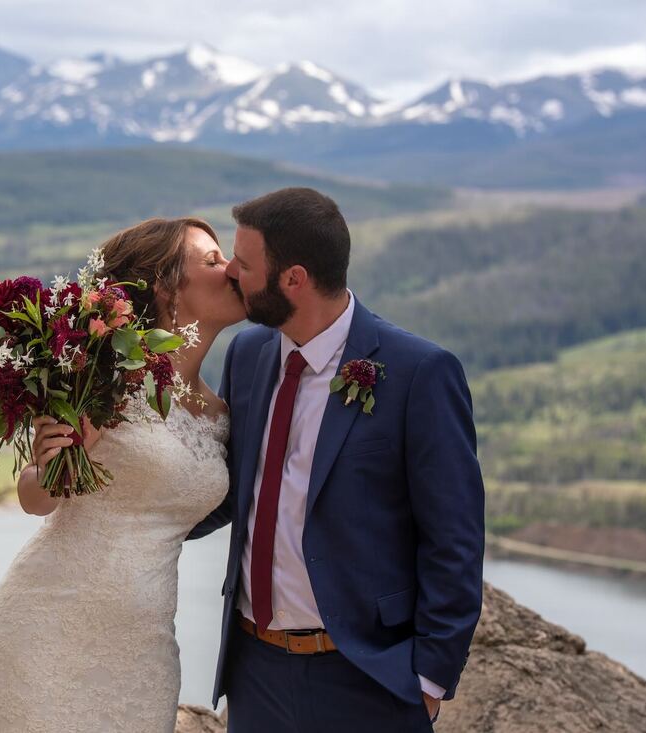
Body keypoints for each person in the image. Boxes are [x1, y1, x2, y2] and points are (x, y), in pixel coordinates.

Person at [189, 187, 486, 731]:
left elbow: (455, 537)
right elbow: (232, 489)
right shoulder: (249, 355)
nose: (231, 270)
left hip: (368, 678)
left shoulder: (419, 372)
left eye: (245, 263)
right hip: (254, 673)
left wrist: (428, 682)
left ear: (293, 279)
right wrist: (132, 517)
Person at [0, 217, 247, 732]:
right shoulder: (100, 375)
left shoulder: (221, 413)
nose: (233, 269)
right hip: (47, 623)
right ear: (164, 287)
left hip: (143, 647)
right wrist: (51, 460)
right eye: (213, 261)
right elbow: (35, 497)